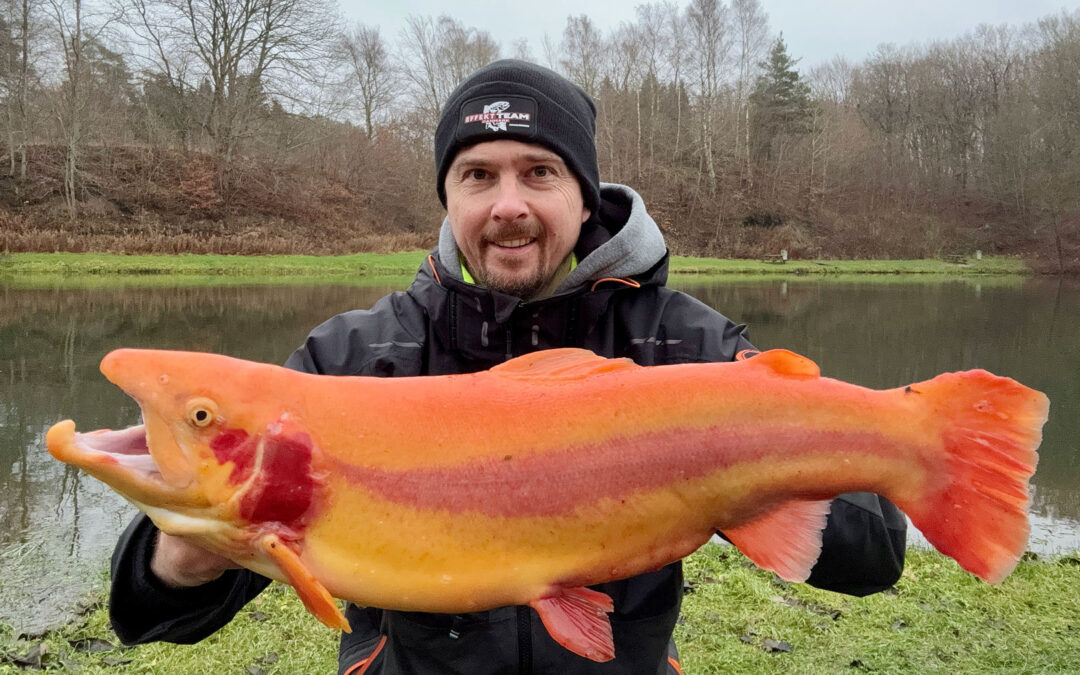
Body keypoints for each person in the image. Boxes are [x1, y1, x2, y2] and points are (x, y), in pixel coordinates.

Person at [109, 60, 907, 675]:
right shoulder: (351, 360)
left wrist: (751, 472)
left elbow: (875, 557)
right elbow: (150, 618)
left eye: (539, 171)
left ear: (584, 194)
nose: (508, 204)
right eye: (478, 175)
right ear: (449, 199)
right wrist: (180, 557)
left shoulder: (680, 343)